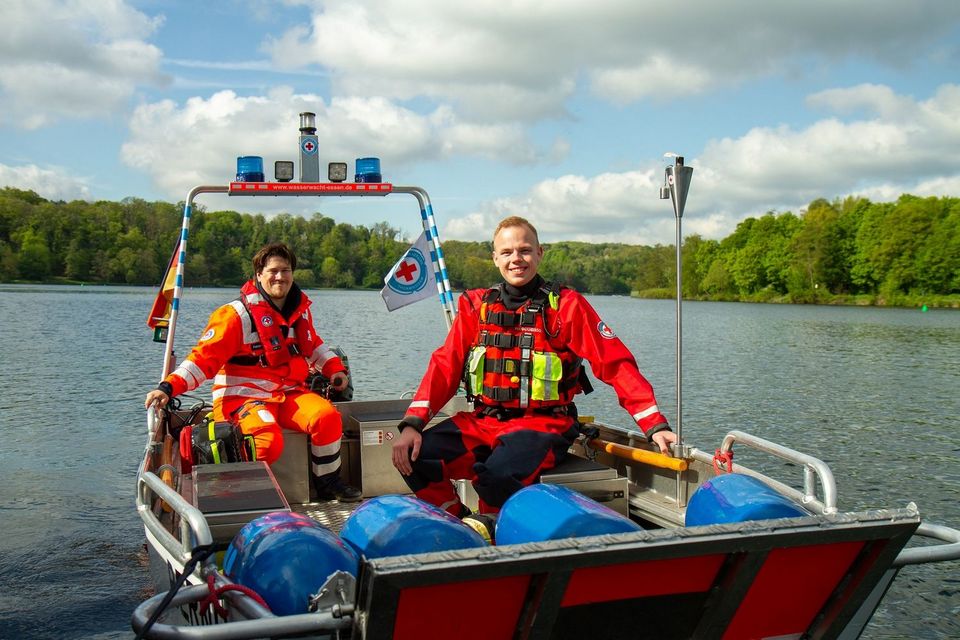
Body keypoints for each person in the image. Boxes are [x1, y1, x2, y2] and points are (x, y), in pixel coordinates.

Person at [391, 216, 676, 517]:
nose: (517, 259)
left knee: (496, 479)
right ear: (495, 258)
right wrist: (413, 424)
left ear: (540, 253)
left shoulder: (565, 306)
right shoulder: (476, 305)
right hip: (483, 422)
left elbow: (614, 362)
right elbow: (445, 365)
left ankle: (493, 533)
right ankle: (458, 521)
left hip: (542, 424)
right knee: (413, 455)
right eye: (507, 252)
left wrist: (654, 424)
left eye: (525, 250)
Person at [144, 242, 361, 502]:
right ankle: (238, 496)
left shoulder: (299, 312)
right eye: (273, 271)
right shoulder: (235, 315)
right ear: (259, 274)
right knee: (267, 440)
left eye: (286, 270)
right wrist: (167, 387)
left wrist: (334, 369)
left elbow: (313, 345)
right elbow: (203, 360)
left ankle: (328, 483)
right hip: (242, 397)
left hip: (287, 393)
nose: (280, 276)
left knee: (327, 417)